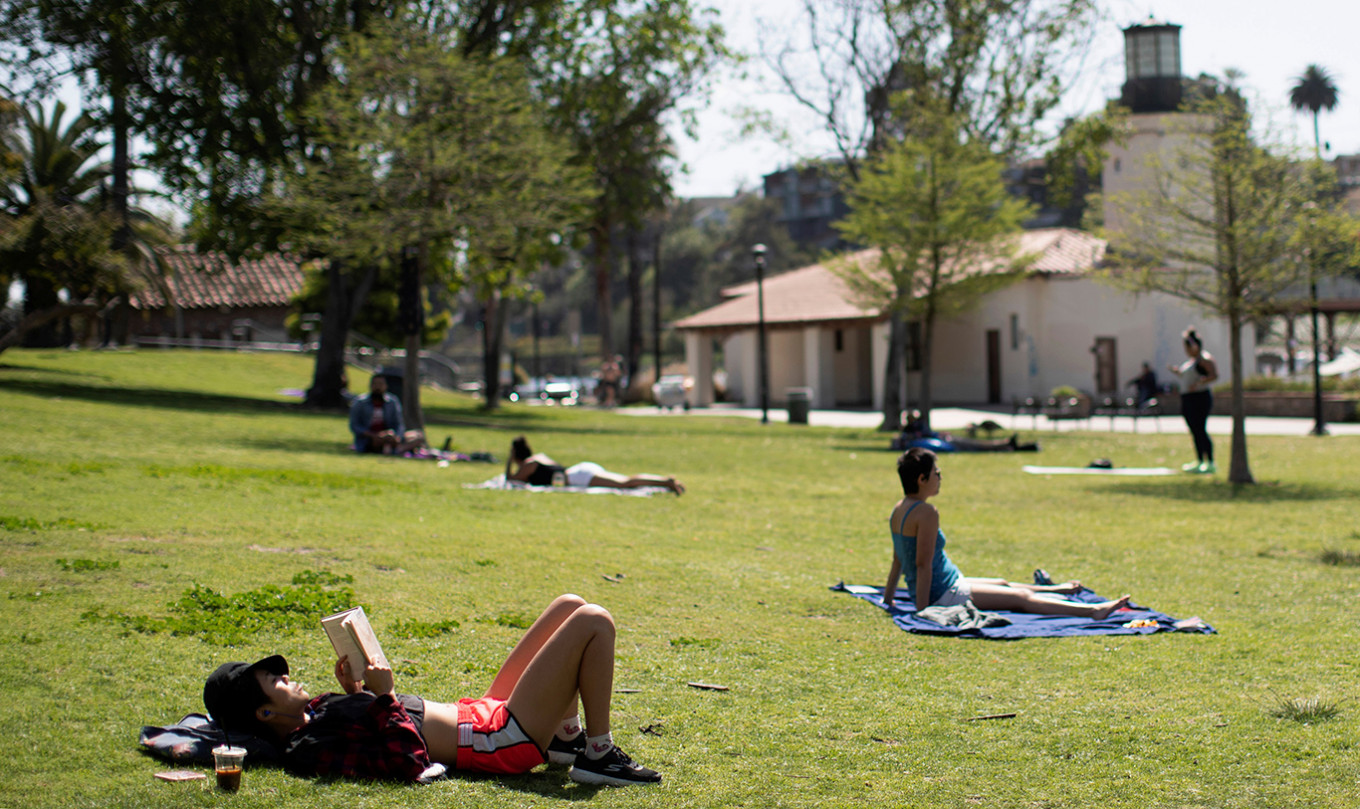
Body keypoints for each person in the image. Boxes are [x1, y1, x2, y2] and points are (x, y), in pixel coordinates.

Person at [202, 594, 661, 786]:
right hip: (496, 741)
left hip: (481, 714)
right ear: (264, 714)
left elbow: (371, 724)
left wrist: (356, 688)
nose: (290, 678)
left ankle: (565, 738)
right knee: (593, 620)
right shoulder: (307, 750)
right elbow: (408, 761)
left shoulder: (318, 711)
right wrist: (383, 696)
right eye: (276, 682)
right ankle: (596, 753)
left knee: (570, 606)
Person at [881, 448, 1132, 618]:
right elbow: (922, 565)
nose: (940, 477)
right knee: (1021, 597)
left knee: (1002, 583)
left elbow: (898, 559)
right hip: (945, 593)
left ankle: (1059, 591)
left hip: (949, 582)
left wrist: (888, 599)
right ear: (922, 479)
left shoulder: (899, 509)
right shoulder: (927, 513)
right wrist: (924, 612)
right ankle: (1094, 611)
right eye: (937, 473)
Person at [504, 436, 684, 494]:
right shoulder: (539, 457)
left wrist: (508, 461)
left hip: (579, 477)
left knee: (625, 483)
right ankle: (665, 484)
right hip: (579, 470)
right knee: (625, 483)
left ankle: (666, 482)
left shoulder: (529, 464)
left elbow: (511, 479)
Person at [1168, 328, 1218, 474]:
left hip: (1199, 398)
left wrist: (1198, 384)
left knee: (1200, 429)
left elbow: (1213, 375)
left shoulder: (1204, 359)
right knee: (1194, 431)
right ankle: (1199, 461)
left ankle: (1210, 462)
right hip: (1188, 399)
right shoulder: (1190, 362)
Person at [348, 375, 425, 454]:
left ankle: (394, 449)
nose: (378, 387)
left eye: (381, 384)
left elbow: (399, 423)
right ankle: (396, 450)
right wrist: (373, 435)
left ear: (386, 386)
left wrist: (397, 436)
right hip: (370, 438)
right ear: (370, 386)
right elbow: (355, 426)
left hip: (389, 435)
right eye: (375, 384)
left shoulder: (392, 402)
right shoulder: (360, 402)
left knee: (418, 436)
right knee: (378, 442)